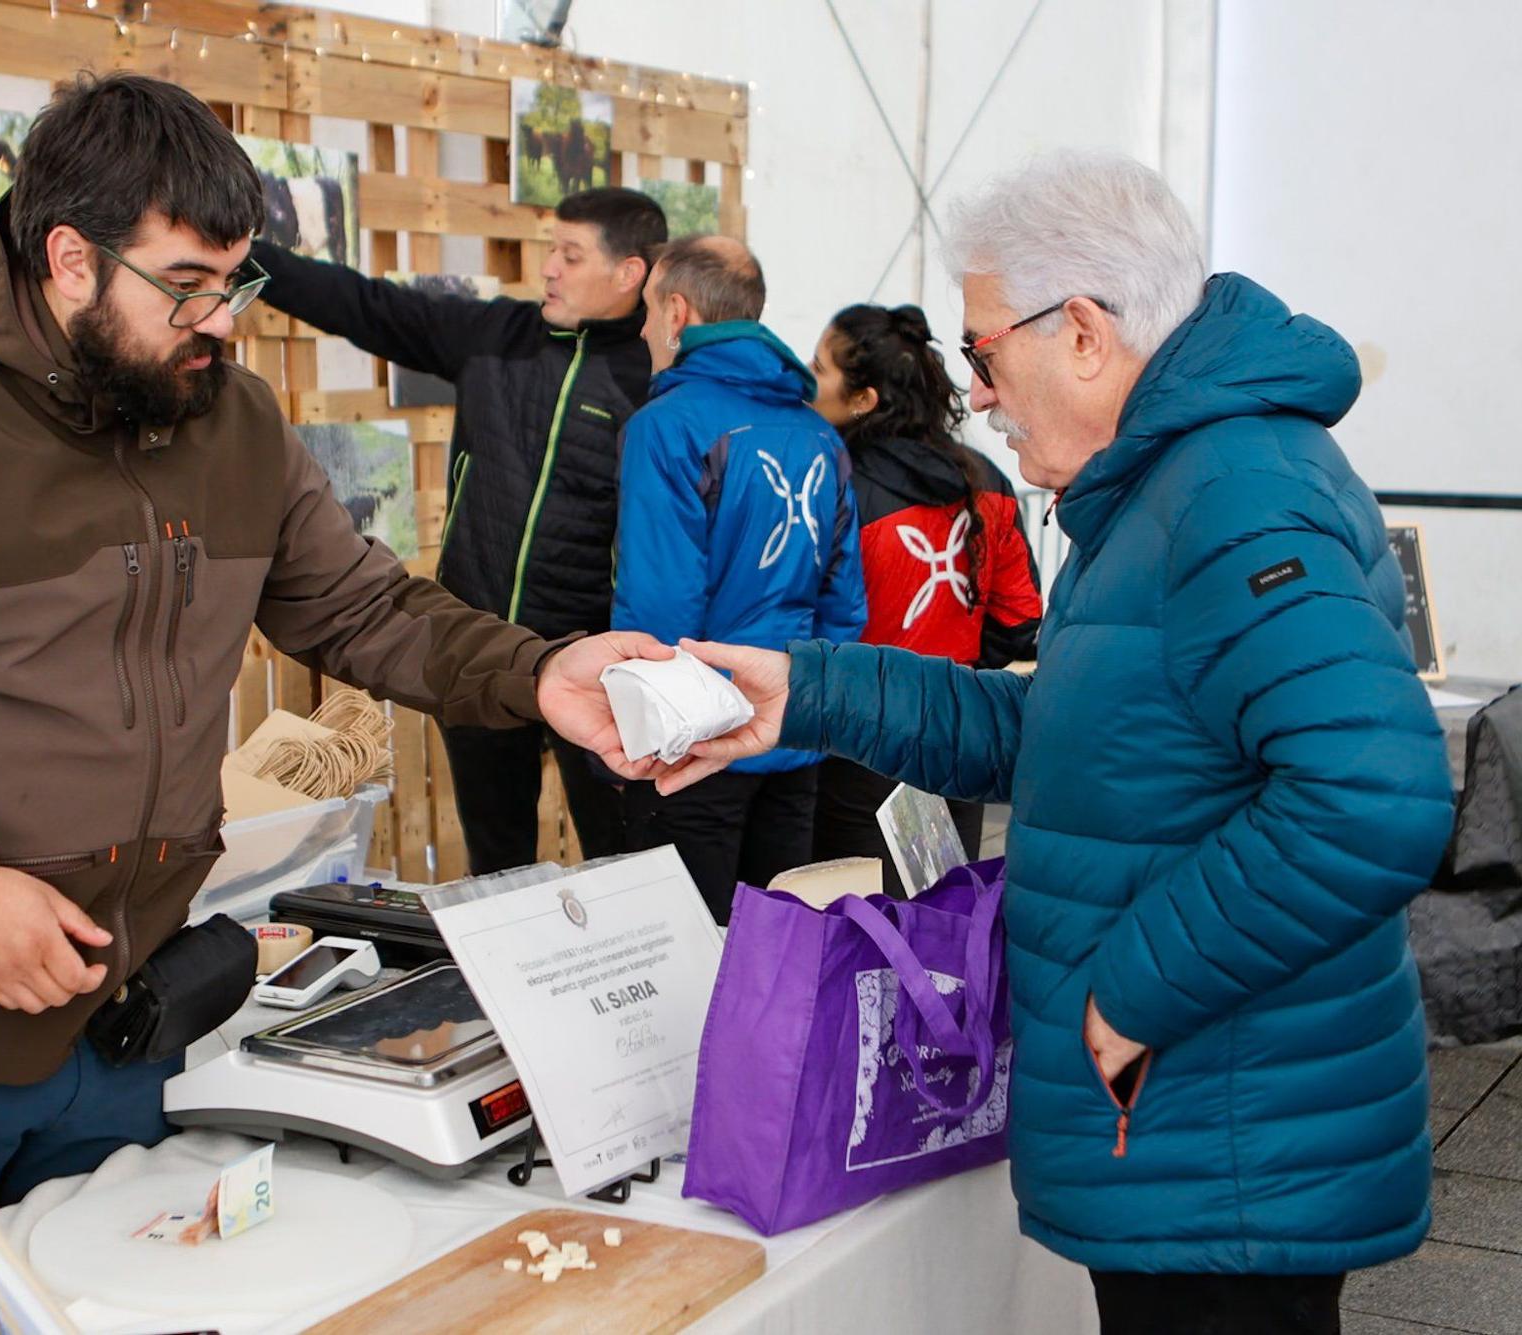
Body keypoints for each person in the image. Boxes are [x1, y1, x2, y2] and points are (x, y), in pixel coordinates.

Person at [0, 73, 668, 1224]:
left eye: (233, 280)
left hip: (124, 1027)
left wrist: (538, 672)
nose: (222, 320)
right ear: (69, 261)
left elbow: (364, 611)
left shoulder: (232, 423)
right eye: (183, 286)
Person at [670, 152, 1453, 1333]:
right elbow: (1069, 734)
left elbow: (1372, 795)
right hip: (1196, 1135)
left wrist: (1130, 988)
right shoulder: (1158, 482)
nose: (975, 391)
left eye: (982, 351)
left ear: (1081, 331)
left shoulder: (1226, 492)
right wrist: (807, 694)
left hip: (1217, 1144)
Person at [247, 188, 667, 875]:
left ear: (630, 273)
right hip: (481, 658)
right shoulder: (495, 336)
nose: (549, 269)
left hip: (599, 670)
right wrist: (245, 257)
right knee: (498, 868)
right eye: (549, 250)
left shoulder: (655, 378)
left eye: (570, 254)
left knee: (622, 867)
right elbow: (365, 305)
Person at [613, 236, 865, 923]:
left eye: (645, 310)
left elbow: (659, 616)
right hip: (792, 734)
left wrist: (660, 735)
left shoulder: (665, 428)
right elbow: (845, 605)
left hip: (694, 748)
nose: (640, 329)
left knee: (686, 963)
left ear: (675, 312)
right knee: (777, 957)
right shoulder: (821, 435)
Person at [805, 303, 1043, 892]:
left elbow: (804, 616)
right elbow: (1019, 618)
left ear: (863, 398)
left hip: (854, 736)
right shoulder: (988, 480)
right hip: (957, 732)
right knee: (943, 921)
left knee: (855, 932)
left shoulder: (830, 484)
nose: (805, 380)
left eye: (819, 367)